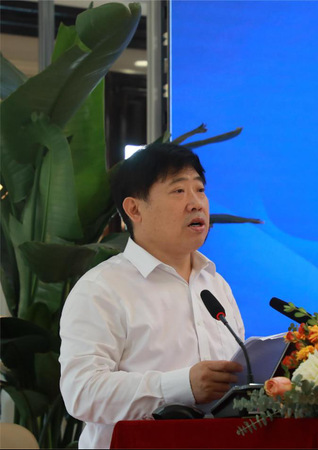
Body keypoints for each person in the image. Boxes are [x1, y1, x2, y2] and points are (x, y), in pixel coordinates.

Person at [59, 143, 244, 449]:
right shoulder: (101, 289)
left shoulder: (215, 285)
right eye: (178, 191)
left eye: (200, 189)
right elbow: (82, 392)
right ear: (134, 209)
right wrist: (183, 386)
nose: (196, 203)